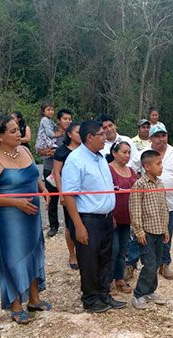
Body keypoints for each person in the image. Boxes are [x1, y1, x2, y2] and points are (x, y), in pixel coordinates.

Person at [0, 116, 50, 324]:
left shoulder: (26, 151)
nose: (19, 134)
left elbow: (33, 177)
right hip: (9, 217)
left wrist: (42, 188)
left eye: (18, 129)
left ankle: (34, 298)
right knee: (13, 258)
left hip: (32, 213)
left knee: (34, 251)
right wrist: (15, 203)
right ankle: (15, 304)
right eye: (12, 131)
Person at [62, 120, 126, 313]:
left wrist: (111, 213)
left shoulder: (99, 158)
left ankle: (104, 294)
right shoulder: (75, 160)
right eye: (101, 134)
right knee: (89, 261)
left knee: (106, 258)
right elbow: (69, 196)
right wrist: (78, 226)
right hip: (88, 219)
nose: (105, 137)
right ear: (90, 137)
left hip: (106, 218)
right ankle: (90, 299)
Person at [128, 125, 173, 280]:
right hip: (146, 207)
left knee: (166, 235)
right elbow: (130, 170)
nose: (161, 139)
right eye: (157, 136)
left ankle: (164, 264)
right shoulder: (143, 154)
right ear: (150, 138)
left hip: (168, 205)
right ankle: (131, 264)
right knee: (139, 236)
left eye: (163, 135)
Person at [130, 150, 170, 309]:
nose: (161, 166)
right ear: (147, 166)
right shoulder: (139, 184)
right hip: (146, 233)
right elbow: (135, 210)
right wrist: (139, 231)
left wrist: (166, 229)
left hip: (159, 231)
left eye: (161, 163)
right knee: (150, 264)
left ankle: (150, 291)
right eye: (158, 163)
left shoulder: (160, 183)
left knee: (158, 261)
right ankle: (138, 294)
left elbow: (163, 208)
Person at [107, 142, 137, 294]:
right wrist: (110, 215)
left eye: (129, 152)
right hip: (112, 217)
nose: (127, 155)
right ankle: (109, 280)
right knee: (113, 249)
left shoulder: (131, 171)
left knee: (123, 250)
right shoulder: (108, 170)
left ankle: (119, 278)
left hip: (127, 217)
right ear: (114, 153)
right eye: (124, 152)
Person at [52, 121, 81, 270]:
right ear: (69, 134)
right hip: (69, 193)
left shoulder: (85, 149)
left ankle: (83, 252)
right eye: (77, 132)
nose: (80, 134)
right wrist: (62, 193)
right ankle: (72, 254)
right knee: (70, 225)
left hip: (84, 194)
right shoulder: (62, 151)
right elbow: (57, 173)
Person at [36, 105, 66, 238]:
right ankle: (53, 226)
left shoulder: (73, 134)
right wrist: (51, 152)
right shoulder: (50, 131)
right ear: (58, 120)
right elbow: (39, 150)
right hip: (49, 169)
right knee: (52, 199)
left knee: (68, 198)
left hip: (67, 171)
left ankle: (69, 224)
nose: (68, 121)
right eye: (65, 119)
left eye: (70, 119)